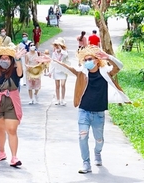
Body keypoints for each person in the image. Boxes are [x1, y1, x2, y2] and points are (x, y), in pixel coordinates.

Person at [50, 45, 129, 174]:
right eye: (85, 59)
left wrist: (108, 57)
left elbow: (119, 66)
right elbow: (67, 68)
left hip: (99, 112)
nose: (87, 62)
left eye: (90, 59)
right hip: (84, 111)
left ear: (97, 60)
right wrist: (50, 60)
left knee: (99, 139)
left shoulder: (105, 72)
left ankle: (97, 153)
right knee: (83, 136)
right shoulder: (82, 72)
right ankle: (86, 163)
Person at [0, 45, 24, 167]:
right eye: (2, 58)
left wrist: (18, 59)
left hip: (12, 102)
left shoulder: (14, 71)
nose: (4, 60)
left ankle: (14, 157)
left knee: (12, 129)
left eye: (7, 58)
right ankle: (1, 152)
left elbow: (20, 72)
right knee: (0, 129)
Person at [50, 38, 70, 106]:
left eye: (58, 45)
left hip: (63, 70)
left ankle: (63, 99)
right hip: (56, 70)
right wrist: (50, 72)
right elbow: (52, 62)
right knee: (57, 85)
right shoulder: (54, 53)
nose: (57, 47)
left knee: (63, 85)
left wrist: (61, 48)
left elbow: (66, 55)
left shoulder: (64, 52)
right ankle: (58, 99)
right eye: (56, 45)